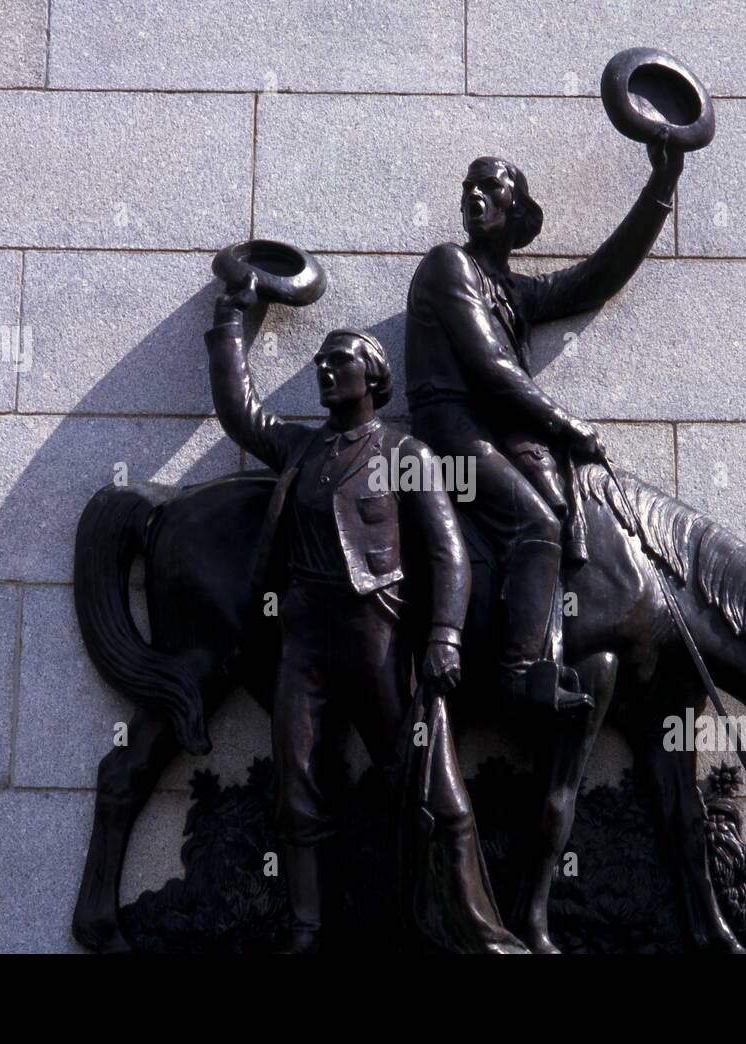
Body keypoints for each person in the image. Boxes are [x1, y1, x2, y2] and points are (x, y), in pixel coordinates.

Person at [207, 272, 523, 954]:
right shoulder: (300, 448)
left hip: (378, 637)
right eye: (320, 362)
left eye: (338, 359)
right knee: (297, 778)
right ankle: (306, 928)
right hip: (304, 642)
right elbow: (240, 412)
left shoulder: (405, 455)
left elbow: (449, 555)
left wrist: (444, 634)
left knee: (417, 775)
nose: (324, 369)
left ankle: (443, 920)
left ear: (374, 375)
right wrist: (230, 322)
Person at [404, 133, 683, 711]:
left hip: (492, 434)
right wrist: (565, 424)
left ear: (516, 213)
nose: (474, 197)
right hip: (451, 431)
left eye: (491, 188)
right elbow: (490, 368)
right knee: (535, 523)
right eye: (469, 189)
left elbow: (595, 278)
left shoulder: (511, 291)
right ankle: (518, 670)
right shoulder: (447, 264)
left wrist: (660, 187)